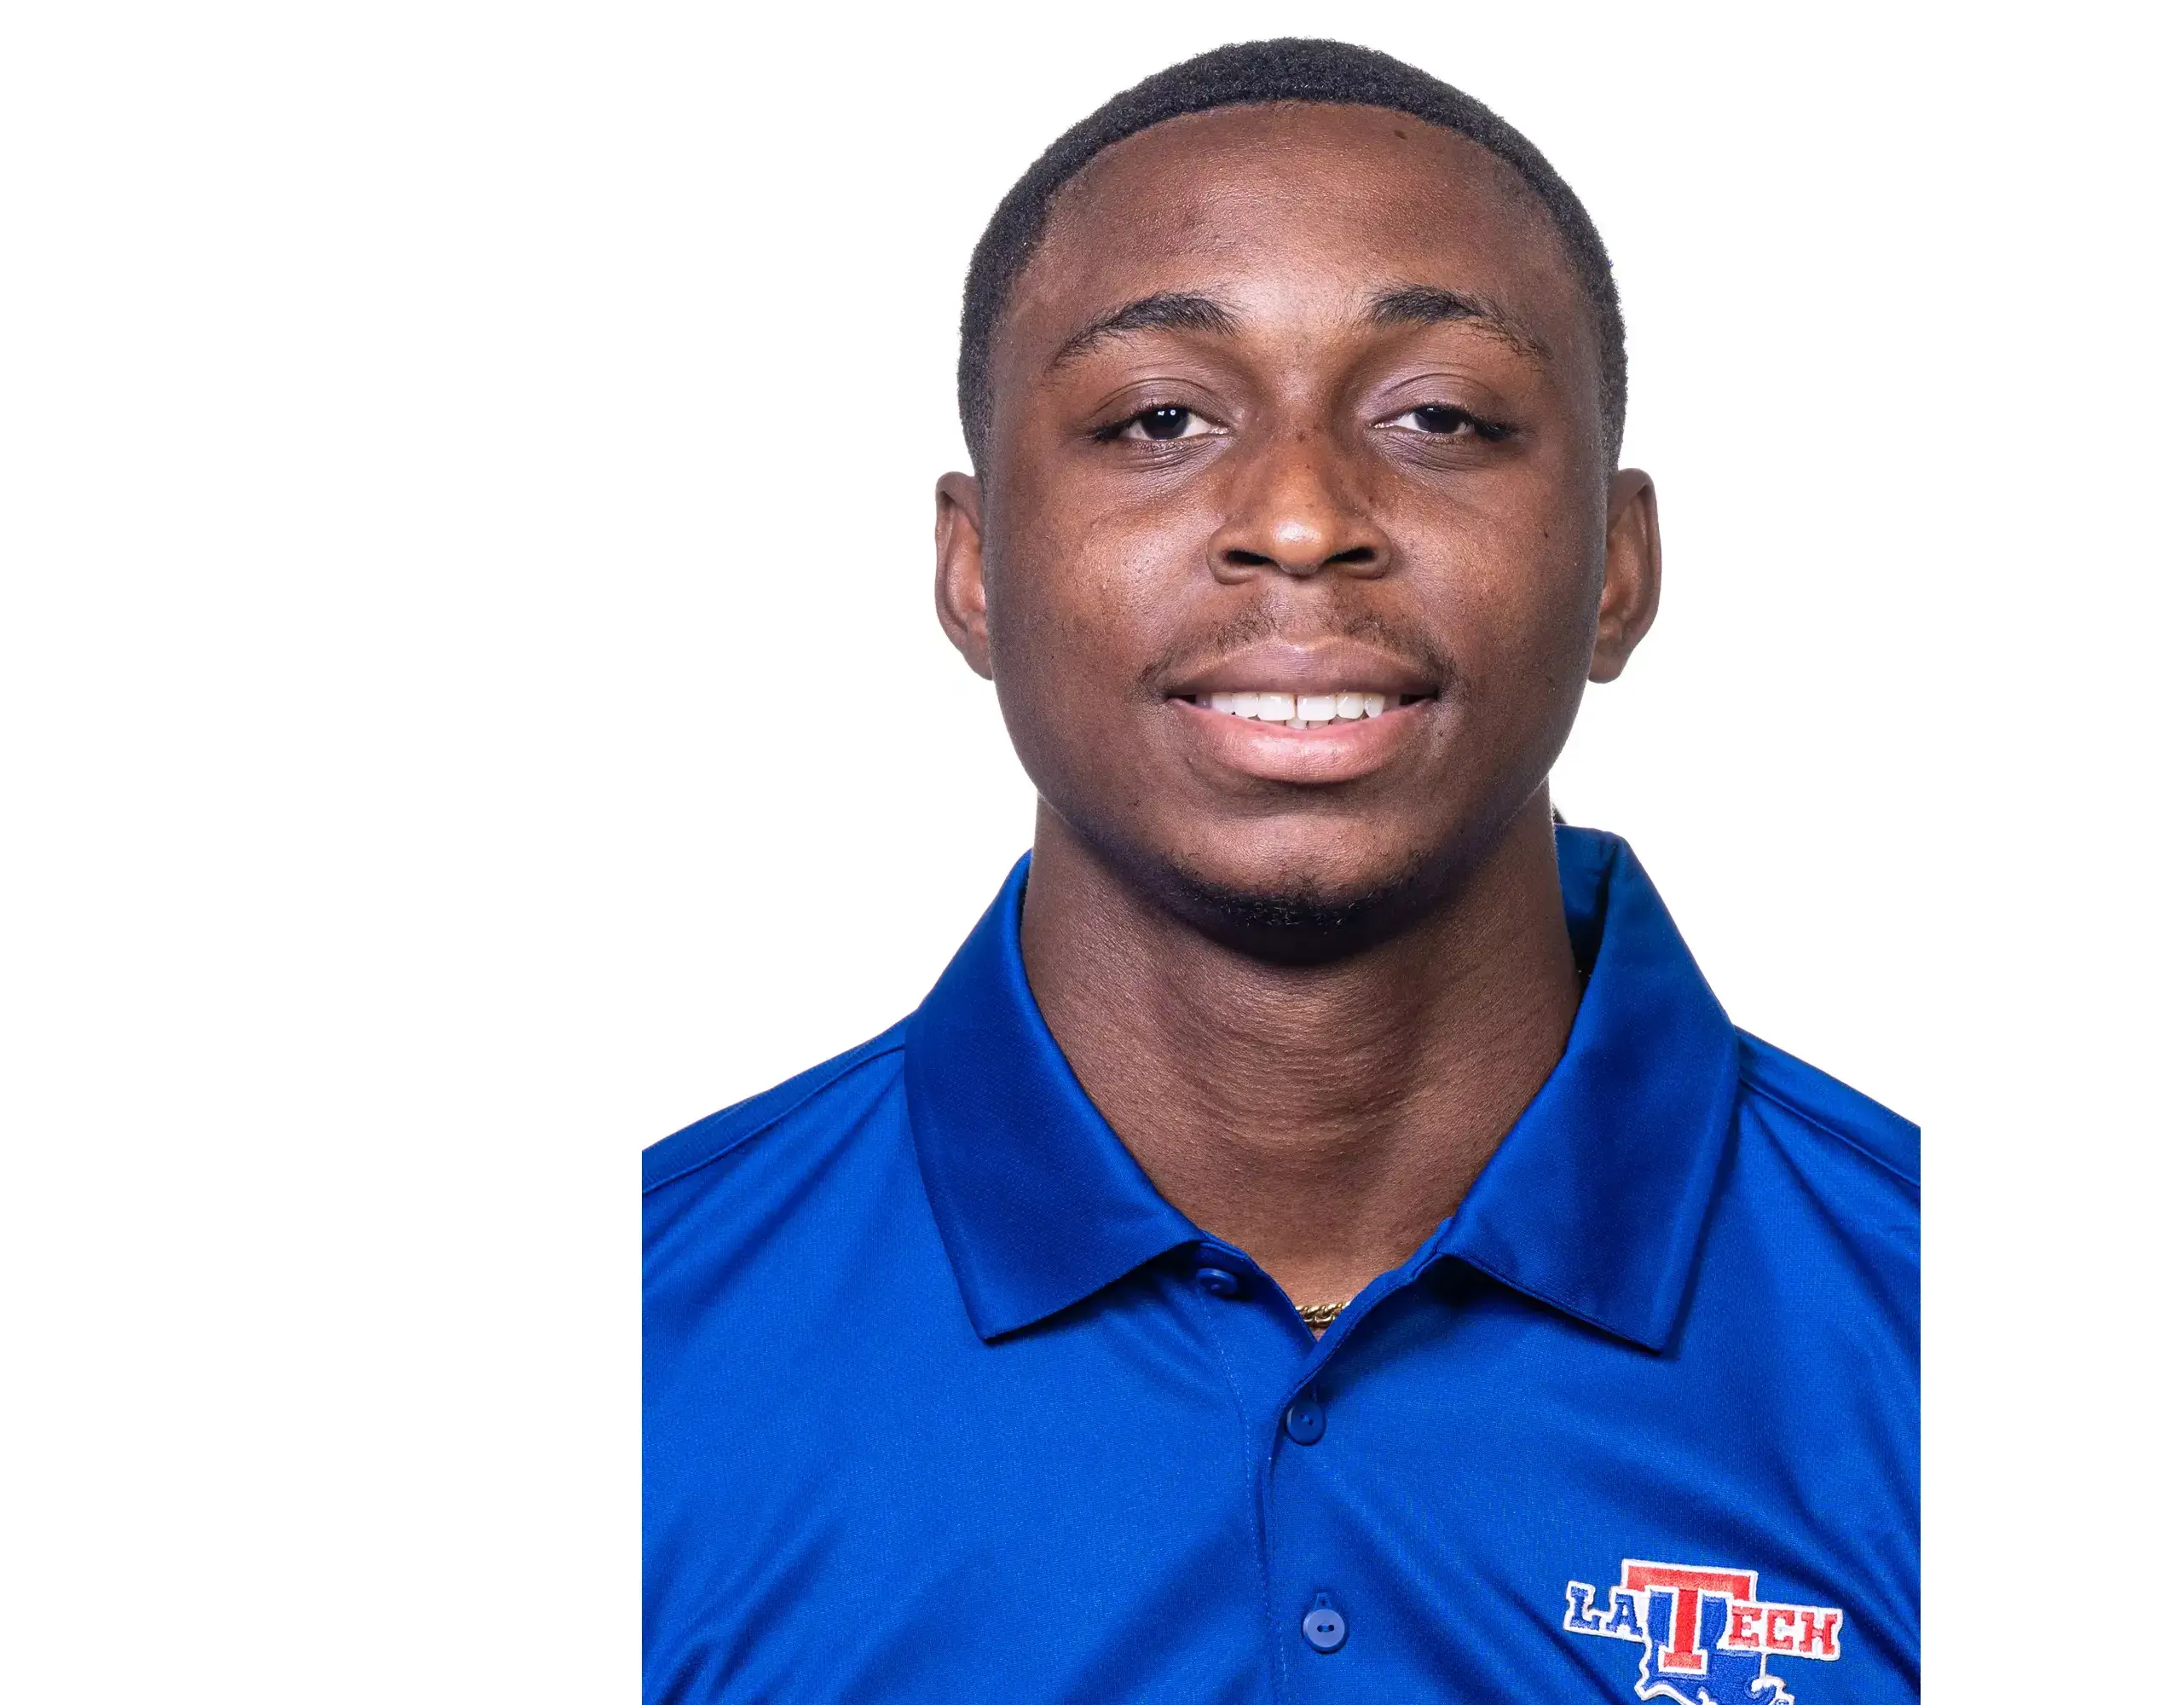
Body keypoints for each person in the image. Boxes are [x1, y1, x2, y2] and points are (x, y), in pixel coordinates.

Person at [644, 38, 1916, 1703]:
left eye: (1438, 417)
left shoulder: (1928, 1327)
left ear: (1616, 565)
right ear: (973, 568)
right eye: (1158, 418)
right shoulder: (643, 1349)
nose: (1304, 520)